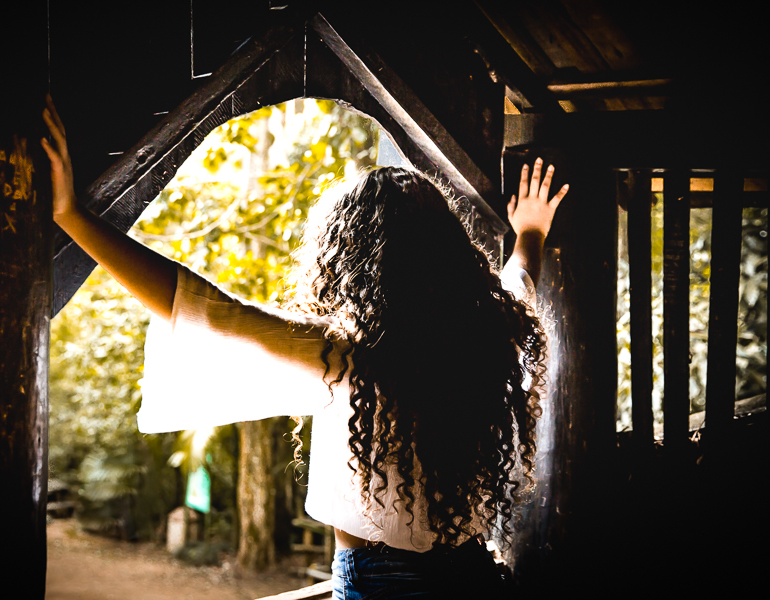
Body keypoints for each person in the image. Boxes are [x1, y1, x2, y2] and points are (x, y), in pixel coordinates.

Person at [42, 95, 567, 598]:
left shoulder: (346, 356)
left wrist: (71, 215)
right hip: (475, 573)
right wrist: (531, 233)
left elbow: (198, 304)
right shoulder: (487, 335)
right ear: (448, 257)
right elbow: (517, 283)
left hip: (385, 585)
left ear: (353, 262)